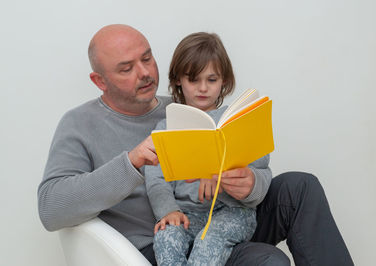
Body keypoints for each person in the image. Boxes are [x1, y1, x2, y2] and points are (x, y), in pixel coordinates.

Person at [38, 24, 353, 266]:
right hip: (161, 243)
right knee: (271, 261)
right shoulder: (79, 124)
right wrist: (131, 163)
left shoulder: (188, 108)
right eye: (126, 68)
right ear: (100, 81)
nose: (145, 73)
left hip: (226, 217)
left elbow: (252, 166)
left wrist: (251, 184)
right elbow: (52, 210)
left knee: (301, 186)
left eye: (147, 58)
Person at [145, 32, 262, 265]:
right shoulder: (166, 127)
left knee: (209, 241)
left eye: (211, 80)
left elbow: (258, 162)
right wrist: (168, 212)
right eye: (193, 79)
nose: (203, 88)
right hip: (187, 215)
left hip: (232, 213)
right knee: (166, 237)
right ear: (178, 79)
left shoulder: (235, 120)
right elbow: (156, 180)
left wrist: (215, 172)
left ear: (224, 82)